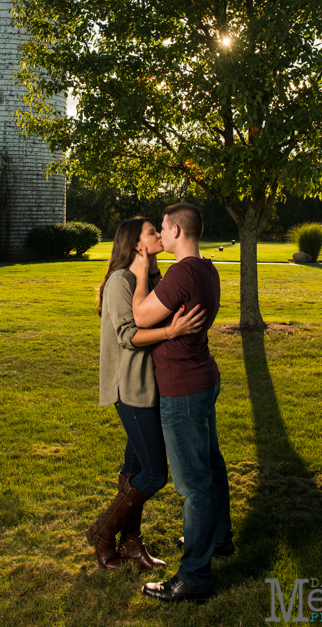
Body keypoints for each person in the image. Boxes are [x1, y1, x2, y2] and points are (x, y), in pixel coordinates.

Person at [86, 217, 206, 571]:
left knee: (134, 468)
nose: (158, 235)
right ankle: (103, 533)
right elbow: (128, 336)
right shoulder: (120, 281)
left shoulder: (151, 278)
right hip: (131, 390)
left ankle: (132, 544)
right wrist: (172, 331)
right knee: (154, 474)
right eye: (152, 232)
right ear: (137, 244)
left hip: (151, 389)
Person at [130, 202, 232, 604]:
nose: (160, 235)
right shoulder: (207, 268)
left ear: (174, 230)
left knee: (194, 486)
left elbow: (140, 316)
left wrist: (139, 276)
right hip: (204, 378)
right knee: (212, 464)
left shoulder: (182, 272)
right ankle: (219, 539)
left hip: (183, 389)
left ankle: (194, 576)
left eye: (163, 228)